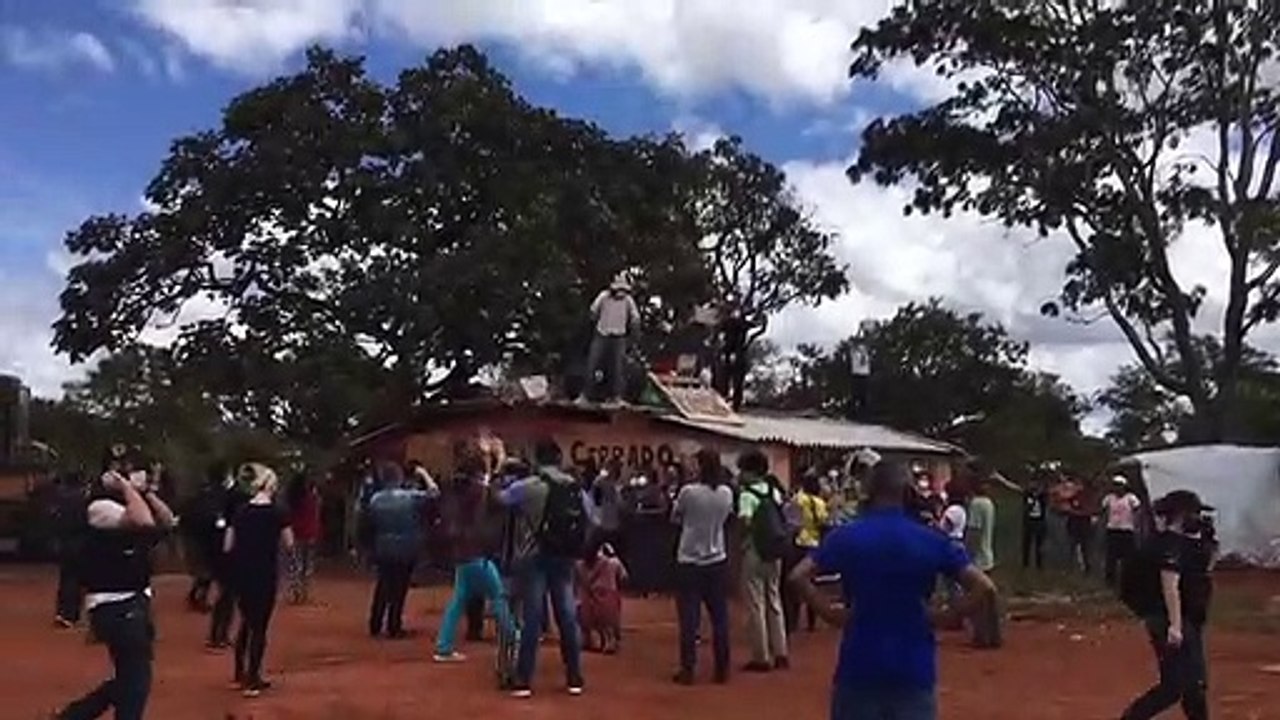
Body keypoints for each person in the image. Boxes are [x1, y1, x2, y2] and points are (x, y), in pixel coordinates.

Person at [790, 460, 997, 720]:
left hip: (860, 663)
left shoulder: (847, 536)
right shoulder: (930, 539)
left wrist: (830, 612)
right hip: (914, 666)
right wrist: (945, 616)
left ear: (870, 489)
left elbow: (798, 576)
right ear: (906, 491)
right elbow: (984, 587)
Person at [56, 447, 175, 720]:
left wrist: (148, 492)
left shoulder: (131, 502)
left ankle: (74, 715)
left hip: (134, 601)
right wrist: (127, 488)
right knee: (137, 678)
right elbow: (142, 521)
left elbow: (166, 520)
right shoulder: (100, 507)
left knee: (131, 677)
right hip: (115, 603)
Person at [493, 439, 586, 698]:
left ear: (537, 460)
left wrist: (501, 473)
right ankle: (574, 677)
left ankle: (524, 679)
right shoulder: (574, 487)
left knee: (532, 618)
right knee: (567, 615)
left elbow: (499, 499)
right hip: (565, 555)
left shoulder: (529, 487)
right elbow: (593, 518)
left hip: (533, 555)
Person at [1120, 490, 1213, 720]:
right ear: (1180, 515)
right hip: (1172, 620)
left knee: (1194, 685)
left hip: (1185, 619)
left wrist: (1208, 545)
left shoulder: (1180, 544)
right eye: (1194, 513)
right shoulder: (1169, 546)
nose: (1197, 519)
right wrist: (1175, 625)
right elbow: (1169, 584)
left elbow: (1201, 575)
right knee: (1175, 686)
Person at [433, 452, 516, 663]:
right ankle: (512, 637)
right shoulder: (479, 491)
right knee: (497, 595)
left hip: (461, 552)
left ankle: (443, 646)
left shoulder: (455, 492)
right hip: (476, 552)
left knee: (458, 601)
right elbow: (501, 501)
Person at [226, 463, 294, 697]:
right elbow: (289, 543)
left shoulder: (240, 511)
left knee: (245, 622)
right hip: (265, 572)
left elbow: (228, 545)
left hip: (241, 572)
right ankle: (253, 678)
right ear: (271, 485)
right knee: (260, 627)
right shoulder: (278, 513)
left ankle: (238, 673)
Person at [671, 450, 734, 686]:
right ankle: (722, 668)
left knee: (689, 618)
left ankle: (688, 669)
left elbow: (675, 516)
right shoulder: (726, 493)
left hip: (689, 559)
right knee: (719, 617)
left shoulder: (689, 492)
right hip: (716, 558)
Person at [736, 451, 790, 673]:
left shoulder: (746, 495)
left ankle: (761, 656)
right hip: (775, 550)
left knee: (755, 602)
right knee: (774, 600)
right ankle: (781, 651)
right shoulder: (773, 491)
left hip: (755, 550)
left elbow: (745, 522)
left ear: (750, 471)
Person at [365, 463, 429, 639]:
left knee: (383, 585)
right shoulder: (410, 497)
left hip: (383, 544)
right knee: (399, 588)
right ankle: (394, 625)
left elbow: (368, 524)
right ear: (399, 478)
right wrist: (424, 474)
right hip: (406, 546)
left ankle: (375, 623)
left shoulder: (376, 499)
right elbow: (434, 493)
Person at [208, 463, 250, 650]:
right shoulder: (236, 496)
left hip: (224, 550)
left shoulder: (219, 495)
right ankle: (219, 635)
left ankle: (219, 633)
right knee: (228, 595)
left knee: (227, 595)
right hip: (231, 551)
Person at [581, 275, 641, 404]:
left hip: (619, 336)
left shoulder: (628, 301)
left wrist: (633, 335)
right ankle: (586, 395)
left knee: (617, 368)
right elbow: (592, 312)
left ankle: (616, 396)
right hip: (602, 334)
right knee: (593, 364)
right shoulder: (603, 296)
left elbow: (635, 318)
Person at [784, 472, 828, 633]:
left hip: (798, 543)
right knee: (811, 582)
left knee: (794, 583)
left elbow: (789, 520)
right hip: (814, 544)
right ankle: (811, 622)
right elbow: (824, 522)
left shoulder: (798, 500)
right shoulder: (820, 502)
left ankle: (793, 621)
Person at [965, 476, 1001, 649]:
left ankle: (982, 637)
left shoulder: (977, 504)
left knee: (978, 601)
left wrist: (967, 554)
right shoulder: (988, 503)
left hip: (978, 558)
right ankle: (994, 636)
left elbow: (974, 531)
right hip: (988, 555)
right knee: (989, 600)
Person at [576, 541, 628, 654]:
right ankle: (609, 641)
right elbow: (624, 578)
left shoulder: (579, 565)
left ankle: (589, 639)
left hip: (588, 599)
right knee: (608, 618)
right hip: (606, 597)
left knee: (583, 614)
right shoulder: (613, 563)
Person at [52, 473, 88, 628]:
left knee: (65, 577)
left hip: (64, 543)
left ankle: (62, 611)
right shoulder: (82, 500)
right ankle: (71, 614)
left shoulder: (61, 498)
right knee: (76, 579)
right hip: (79, 542)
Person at [285, 473, 322, 605]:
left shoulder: (292, 499)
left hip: (296, 533)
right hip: (310, 533)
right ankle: (305, 593)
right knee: (308, 565)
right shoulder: (312, 498)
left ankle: (296, 592)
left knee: (296, 565)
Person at [1103, 475, 1143, 588]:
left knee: (1128, 558)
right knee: (1111, 557)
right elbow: (1103, 510)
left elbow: (1138, 510)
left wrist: (1137, 525)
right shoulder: (1109, 498)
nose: (1117, 488)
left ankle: (1129, 581)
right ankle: (1110, 581)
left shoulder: (1131, 498)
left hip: (1127, 530)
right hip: (1113, 530)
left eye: (1119, 485)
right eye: (1115, 485)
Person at [1021, 473, 1050, 570]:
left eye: (1036, 483)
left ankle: (1039, 565)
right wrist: (1033, 497)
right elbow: (1026, 506)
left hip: (1039, 522)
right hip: (1029, 521)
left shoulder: (1043, 495)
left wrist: (1039, 494)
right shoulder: (1027, 494)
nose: (1033, 485)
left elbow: (1046, 502)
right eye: (1031, 483)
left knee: (1039, 544)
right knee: (1027, 543)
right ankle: (1025, 564)